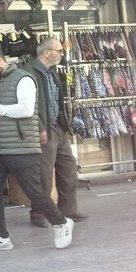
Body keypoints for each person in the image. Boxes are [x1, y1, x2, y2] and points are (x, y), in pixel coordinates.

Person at [0, 45, 74, 252]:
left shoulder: (23, 79)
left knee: (33, 191)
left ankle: (61, 223)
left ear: (0, 61)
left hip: (22, 147)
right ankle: (0, 235)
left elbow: (26, 110)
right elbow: (0, 111)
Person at [26, 38, 87, 227]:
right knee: (44, 174)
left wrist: (64, 124)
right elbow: (29, 105)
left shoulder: (51, 72)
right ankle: (38, 213)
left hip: (58, 127)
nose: (62, 53)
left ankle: (68, 209)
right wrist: (39, 128)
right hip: (45, 128)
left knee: (69, 167)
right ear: (46, 52)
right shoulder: (29, 72)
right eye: (58, 50)